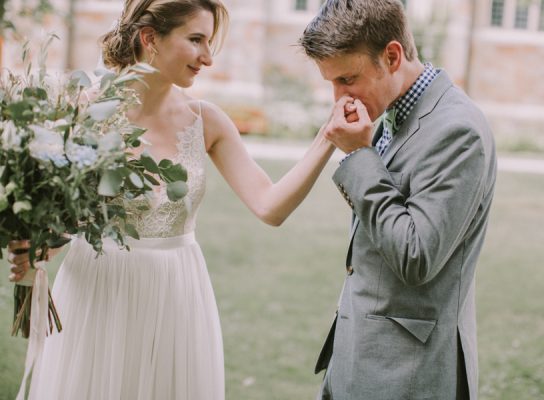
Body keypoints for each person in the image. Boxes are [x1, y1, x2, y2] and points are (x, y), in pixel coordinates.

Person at [7, 0, 337, 398]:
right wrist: (34, 245)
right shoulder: (83, 111)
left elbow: (269, 206)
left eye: (209, 42)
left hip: (177, 296)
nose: (208, 58)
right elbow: (64, 219)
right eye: (196, 40)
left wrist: (327, 138)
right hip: (99, 293)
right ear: (150, 38)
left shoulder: (207, 121)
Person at [299, 1, 497, 399]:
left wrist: (359, 156)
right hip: (358, 359)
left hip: (408, 374)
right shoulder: (392, 112)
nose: (338, 97)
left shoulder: (457, 130)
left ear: (392, 55)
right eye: (331, 83)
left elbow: (415, 255)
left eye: (348, 78)